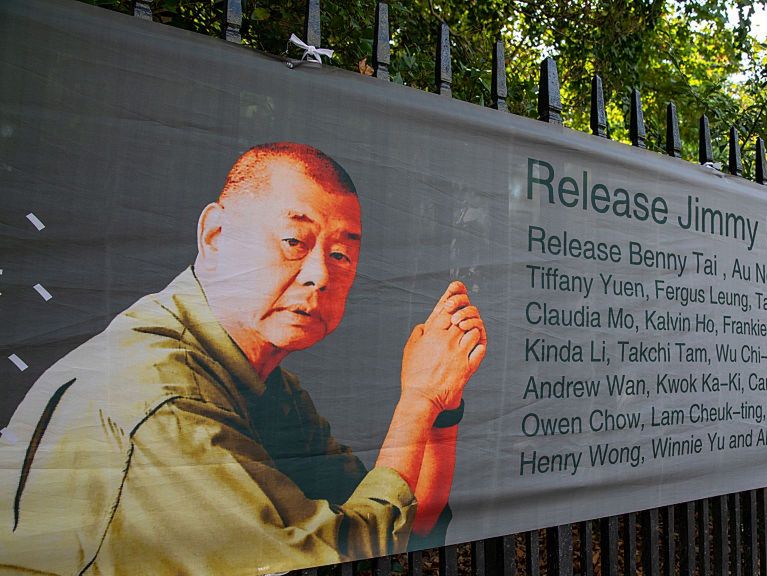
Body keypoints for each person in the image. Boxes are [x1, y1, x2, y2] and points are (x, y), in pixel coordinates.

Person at [0, 142, 486, 575]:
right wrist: (416, 402)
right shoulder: (161, 396)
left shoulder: (263, 383)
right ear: (214, 236)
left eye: (341, 255)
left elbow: (405, 515)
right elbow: (333, 559)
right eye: (294, 242)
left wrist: (442, 405)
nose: (319, 274)